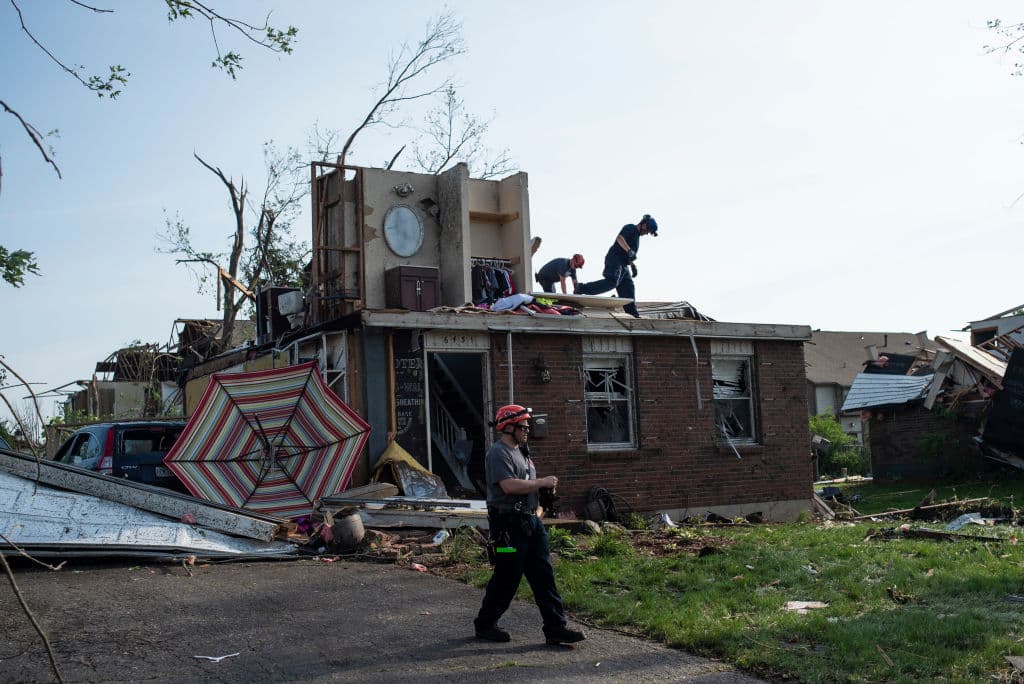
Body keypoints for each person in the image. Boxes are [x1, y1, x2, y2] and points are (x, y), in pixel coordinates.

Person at [474, 404, 586, 646]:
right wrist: (540, 482)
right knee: (507, 576)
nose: (527, 430)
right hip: (507, 528)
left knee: (544, 575)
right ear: (509, 426)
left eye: (527, 426)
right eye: (523, 426)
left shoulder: (523, 452)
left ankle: (556, 628)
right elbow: (508, 486)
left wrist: (544, 493)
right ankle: (485, 625)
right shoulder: (498, 453)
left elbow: (527, 484)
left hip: (530, 523)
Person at [575, 214, 659, 317]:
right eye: (648, 231)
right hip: (615, 259)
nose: (646, 234)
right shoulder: (630, 228)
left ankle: (632, 314)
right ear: (644, 225)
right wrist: (629, 251)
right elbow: (620, 238)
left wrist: (632, 265)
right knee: (612, 281)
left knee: (628, 287)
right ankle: (581, 288)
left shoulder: (637, 237)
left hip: (624, 265)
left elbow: (629, 254)